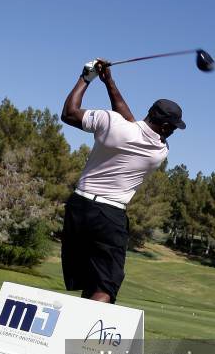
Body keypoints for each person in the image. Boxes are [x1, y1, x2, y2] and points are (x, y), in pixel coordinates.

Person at [60, 59, 186, 304]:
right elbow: (131, 124)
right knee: (105, 284)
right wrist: (109, 83)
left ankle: (73, 334)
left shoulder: (110, 123)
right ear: (166, 126)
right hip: (109, 215)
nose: (173, 132)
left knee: (90, 280)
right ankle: (82, 341)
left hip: (77, 207)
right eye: (173, 127)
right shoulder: (160, 150)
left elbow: (69, 113)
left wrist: (87, 78)